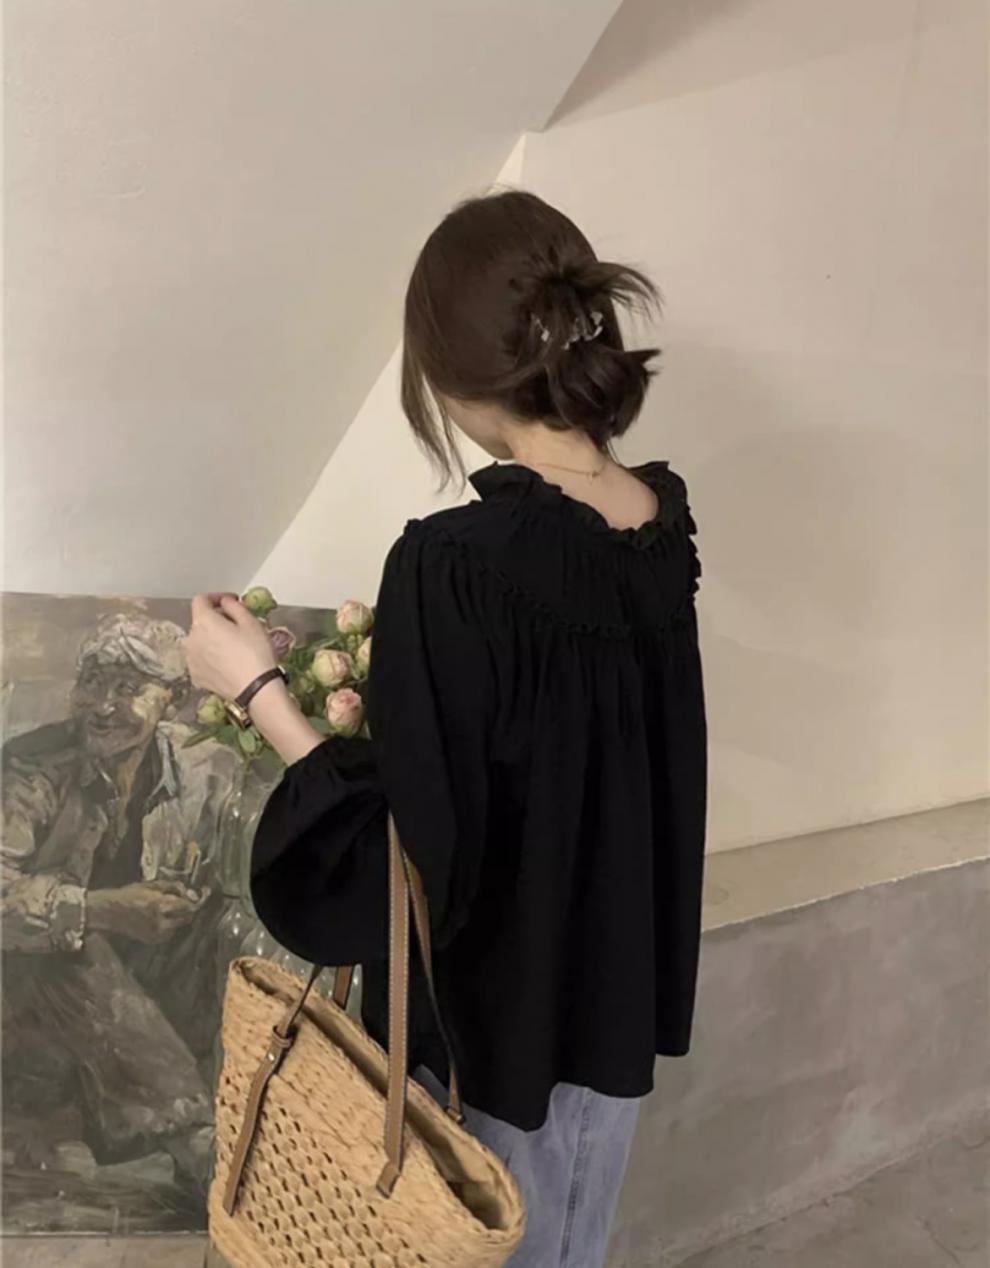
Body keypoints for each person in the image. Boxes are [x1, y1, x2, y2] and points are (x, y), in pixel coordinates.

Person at [183, 188, 707, 1268]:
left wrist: (259, 692)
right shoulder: (659, 529)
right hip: (610, 1014)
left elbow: (413, 852)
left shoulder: (455, 563)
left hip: (487, 1043)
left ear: (445, 372)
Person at [1, 613, 237, 1195]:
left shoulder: (206, 767)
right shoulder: (30, 767)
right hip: (35, 997)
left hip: (146, 996)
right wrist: (102, 909)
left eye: (129, 688)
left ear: (174, 699)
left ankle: (238, 1110)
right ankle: (192, 1136)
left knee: (226, 924)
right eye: (93, 683)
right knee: (74, 944)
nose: (103, 706)